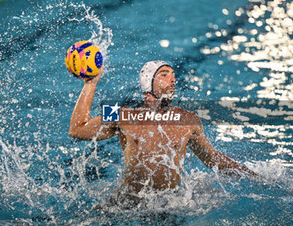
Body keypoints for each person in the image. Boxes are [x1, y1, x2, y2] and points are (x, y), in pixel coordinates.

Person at [69, 61, 258, 199]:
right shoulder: (123, 115)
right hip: (128, 204)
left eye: (173, 75)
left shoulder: (188, 120)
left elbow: (212, 158)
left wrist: (252, 175)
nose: (173, 80)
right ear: (147, 82)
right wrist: (90, 83)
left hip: (168, 205)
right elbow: (77, 129)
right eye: (165, 74)